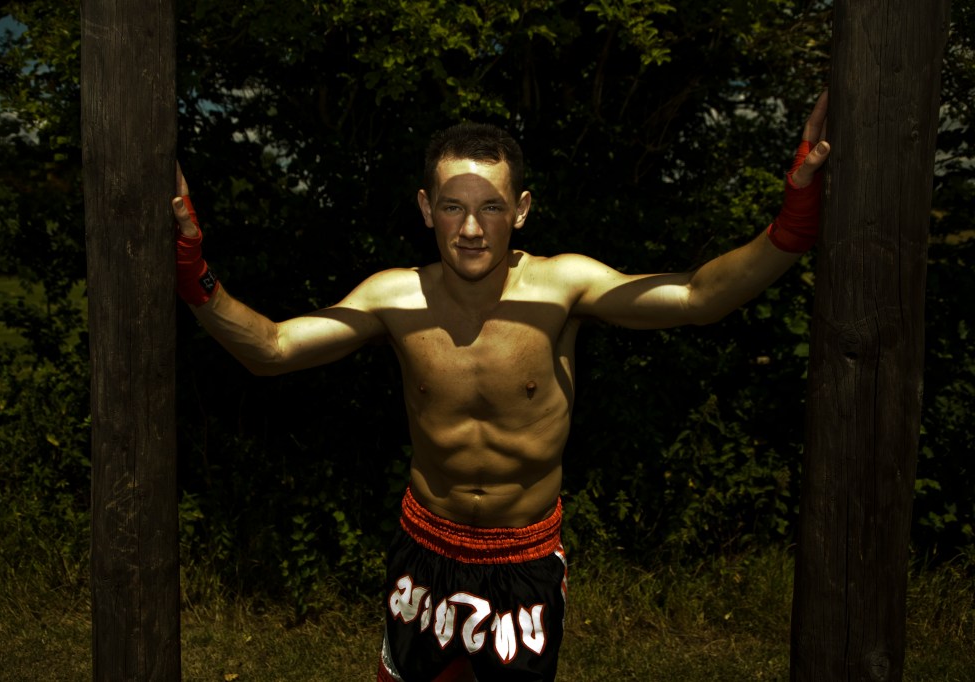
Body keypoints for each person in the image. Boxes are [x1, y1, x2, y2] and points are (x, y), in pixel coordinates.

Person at [172, 92, 830, 681]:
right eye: (453, 207)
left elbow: (695, 297)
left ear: (521, 209)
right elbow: (272, 349)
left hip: (524, 558)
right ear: (426, 208)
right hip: (425, 548)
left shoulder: (562, 286)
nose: (470, 228)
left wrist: (794, 222)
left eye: (490, 207)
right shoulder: (393, 297)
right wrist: (193, 266)